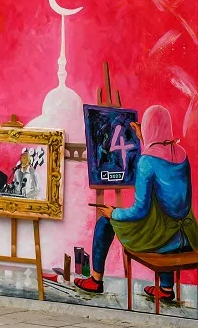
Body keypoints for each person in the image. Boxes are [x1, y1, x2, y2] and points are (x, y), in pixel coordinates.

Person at [75, 105, 196, 302]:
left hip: (161, 238)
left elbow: (140, 211)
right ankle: (166, 289)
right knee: (160, 217)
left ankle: (96, 280)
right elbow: (169, 194)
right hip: (184, 236)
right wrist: (143, 138)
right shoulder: (181, 153)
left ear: (148, 127)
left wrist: (113, 213)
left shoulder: (146, 161)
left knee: (104, 223)